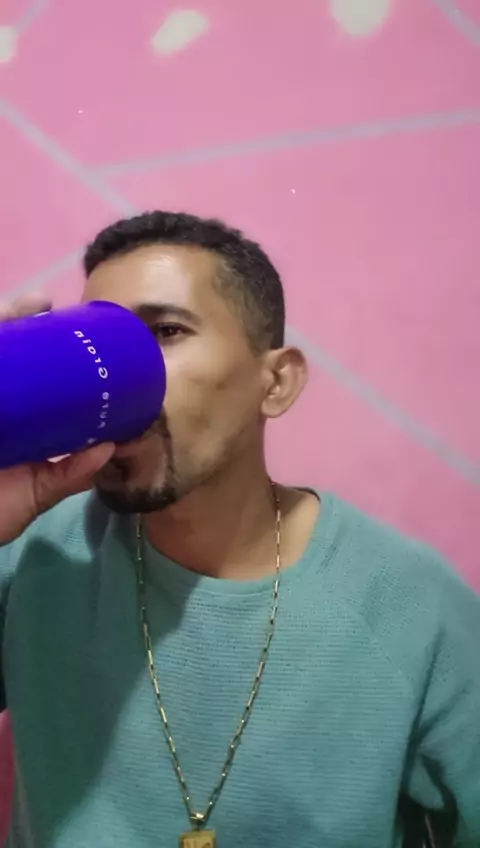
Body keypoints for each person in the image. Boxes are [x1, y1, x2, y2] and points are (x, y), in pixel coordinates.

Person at [0, 211, 479, 848]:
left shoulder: (411, 608)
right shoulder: (30, 554)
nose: (109, 375)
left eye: (165, 332)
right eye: (98, 341)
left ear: (275, 382)